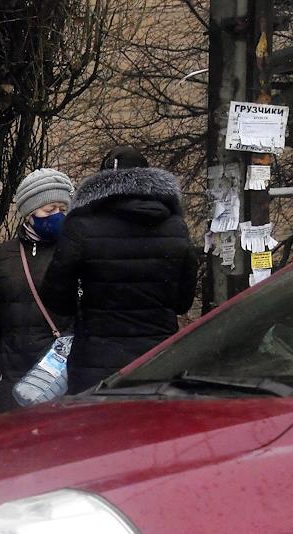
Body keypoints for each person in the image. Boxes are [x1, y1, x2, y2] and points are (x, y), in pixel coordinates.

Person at [41, 146, 198, 394]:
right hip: (157, 357)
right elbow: (182, 302)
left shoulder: (81, 226)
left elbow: (56, 296)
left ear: (101, 183)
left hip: (96, 360)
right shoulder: (175, 226)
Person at [0, 168, 76, 411]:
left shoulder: (74, 251)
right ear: (29, 213)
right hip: (12, 380)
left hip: (61, 380)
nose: (58, 216)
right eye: (49, 210)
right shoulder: (3, 257)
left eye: (63, 209)